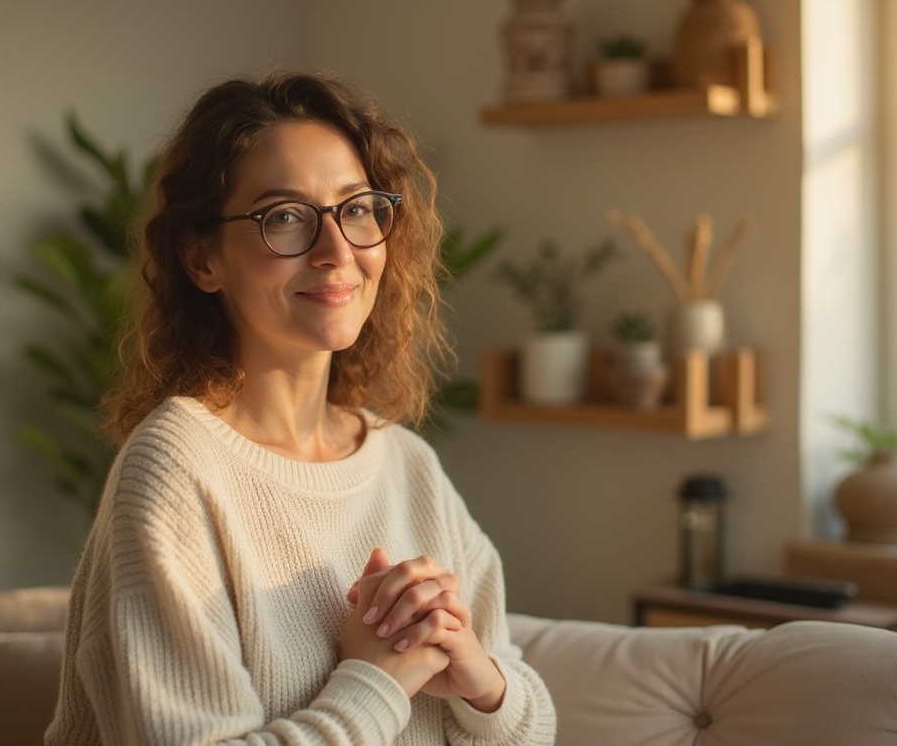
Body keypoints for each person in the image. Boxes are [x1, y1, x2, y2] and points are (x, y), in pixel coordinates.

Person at [44, 70, 557, 746]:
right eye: (284, 217)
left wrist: (479, 678)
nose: (337, 251)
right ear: (203, 259)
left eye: (357, 209)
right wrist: (376, 680)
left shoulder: (407, 465)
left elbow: (533, 728)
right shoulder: (173, 470)